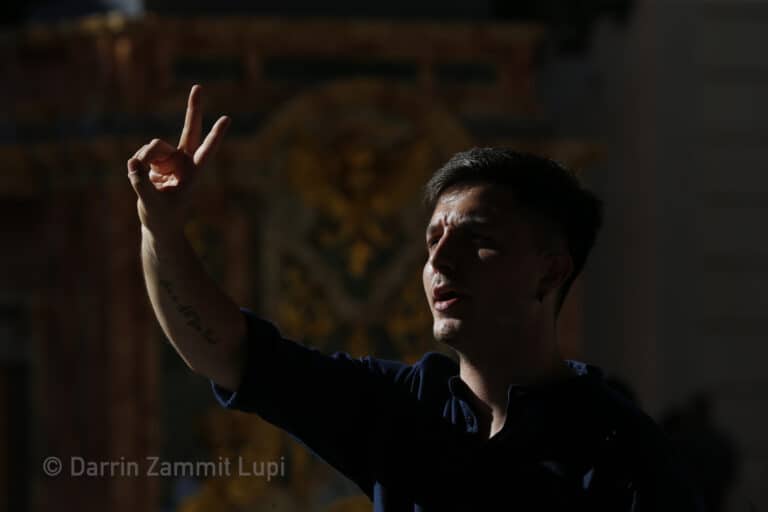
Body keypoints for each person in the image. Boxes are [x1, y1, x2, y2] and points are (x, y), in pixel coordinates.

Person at [127, 85, 703, 511]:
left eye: (477, 240)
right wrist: (162, 232)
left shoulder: (625, 454)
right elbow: (227, 352)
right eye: (433, 241)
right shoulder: (405, 410)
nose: (439, 262)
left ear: (549, 271)